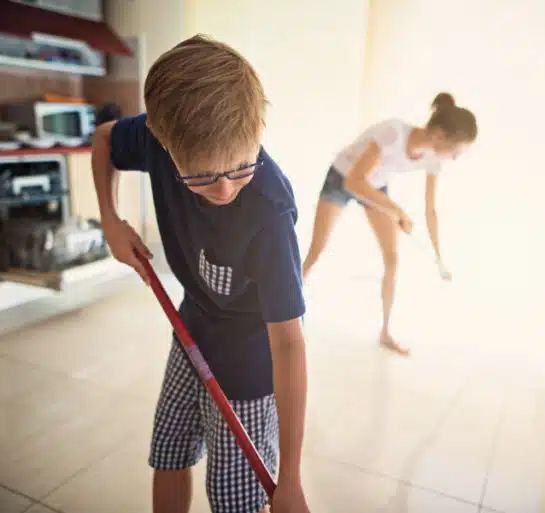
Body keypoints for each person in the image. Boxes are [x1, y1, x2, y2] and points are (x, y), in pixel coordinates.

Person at [91, 35, 310, 513]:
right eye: (204, 177)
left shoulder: (269, 213)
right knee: (168, 453)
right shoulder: (155, 140)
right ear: (162, 140)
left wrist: (289, 479)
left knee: (234, 499)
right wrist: (111, 219)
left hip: (250, 368)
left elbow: (289, 342)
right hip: (189, 331)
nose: (226, 188)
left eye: (241, 167)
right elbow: (105, 138)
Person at [301, 93, 477, 356]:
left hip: (375, 186)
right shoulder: (392, 133)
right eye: (457, 151)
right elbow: (354, 182)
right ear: (440, 136)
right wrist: (396, 211)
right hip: (342, 178)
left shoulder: (432, 159)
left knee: (393, 259)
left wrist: (439, 256)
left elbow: (431, 210)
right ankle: (285, 314)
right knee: (316, 251)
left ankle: (385, 332)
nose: (454, 158)